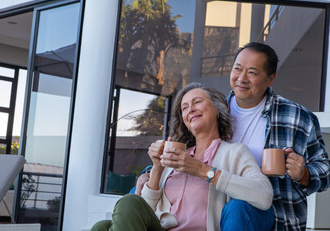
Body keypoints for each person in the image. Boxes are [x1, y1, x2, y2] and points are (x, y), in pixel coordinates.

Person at [91, 83, 274, 231]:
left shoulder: (235, 153)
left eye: (197, 102)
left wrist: (202, 170)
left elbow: (264, 195)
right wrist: (157, 168)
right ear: (185, 122)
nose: (190, 109)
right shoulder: (177, 156)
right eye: (185, 107)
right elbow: (142, 212)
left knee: (116, 215)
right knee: (104, 224)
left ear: (217, 110)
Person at [227, 42, 330, 230]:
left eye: (252, 72)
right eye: (237, 69)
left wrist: (304, 173)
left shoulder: (299, 117)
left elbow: (325, 170)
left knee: (238, 207)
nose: (242, 78)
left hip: (277, 219)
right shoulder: (213, 114)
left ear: (270, 79)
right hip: (216, 214)